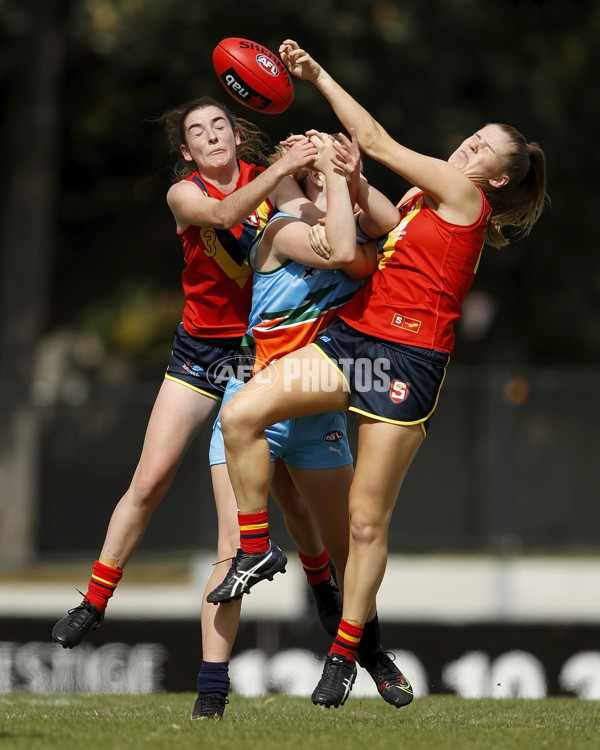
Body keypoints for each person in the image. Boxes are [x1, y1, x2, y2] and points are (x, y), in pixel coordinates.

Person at [207, 41, 548, 709]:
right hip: (353, 341)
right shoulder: (433, 194)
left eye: (481, 149)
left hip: (410, 364)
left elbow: (376, 135)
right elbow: (390, 228)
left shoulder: (466, 197)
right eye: (471, 139)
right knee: (242, 413)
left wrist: (317, 77)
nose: (466, 149)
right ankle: (255, 548)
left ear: (498, 181)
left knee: (365, 523)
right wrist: (352, 180)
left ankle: (345, 654)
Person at [50, 96, 340, 668]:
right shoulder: (184, 193)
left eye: (220, 126)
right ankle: (95, 598)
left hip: (261, 357)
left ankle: (323, 585)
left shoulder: (275, 181)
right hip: (200, 352)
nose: (211, 136)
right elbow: (227, 216)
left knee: (291, 500)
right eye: (198, 132)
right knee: (152, 477)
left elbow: (324, 236)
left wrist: (324, 172)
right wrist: (285, 169)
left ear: (236, 135)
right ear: (187, 151)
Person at [197, 130, 413, 719]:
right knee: (230, 553)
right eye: (313, 168)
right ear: (297, 179)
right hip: (256, 400)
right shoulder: (281, 229)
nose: (325, 173)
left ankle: (369, 650)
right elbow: (347, 253)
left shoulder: (354, 219)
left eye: (331, 166)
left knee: (352, 555)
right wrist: (312, 174)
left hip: (316, 413)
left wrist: (349, 174)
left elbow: (383, 224)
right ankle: (210, 695)